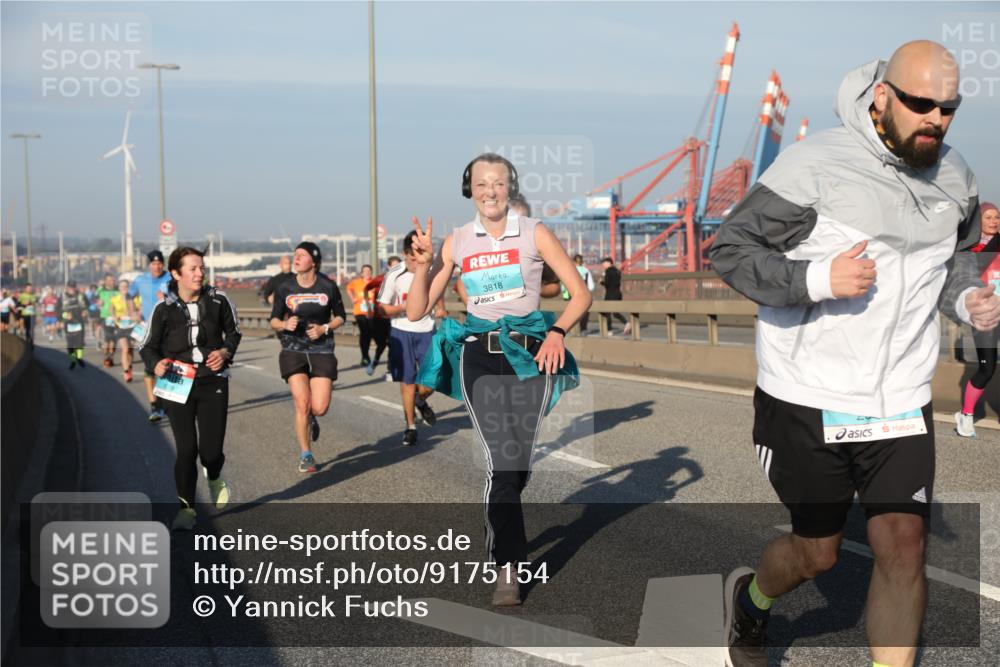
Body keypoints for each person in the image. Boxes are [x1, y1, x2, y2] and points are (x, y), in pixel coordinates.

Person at [708, 41, 1000, 667]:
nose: (936, 120)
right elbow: (730, 250)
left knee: (904, 544)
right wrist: (818, 278)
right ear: (882, 96)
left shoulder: (956, 175)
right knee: (818, 554)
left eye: (948, 108)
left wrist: (967, 297)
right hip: (808, 396)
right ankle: (753, 601)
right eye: (921, 104)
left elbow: (952, 261)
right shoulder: (813, 166)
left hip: (900, 401)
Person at [406, 153, 591, 605]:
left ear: (511, 188)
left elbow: (581, 294)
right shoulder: (457, 241)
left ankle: (502, 517)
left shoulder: (535, 232)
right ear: (469, 189)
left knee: (518, 465)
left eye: (499, 183)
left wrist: (557, 332)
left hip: (531, 356)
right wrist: (424, 267)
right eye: (482, 184)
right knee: (503, 463)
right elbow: (415, 311)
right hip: (480, 358)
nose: (491, 191)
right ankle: (508, 565)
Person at [138, 247, 241, 530]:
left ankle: (214, 474)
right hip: (176, 379)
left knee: (210, 452)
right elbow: (146, 345)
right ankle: (186, 510)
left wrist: (225, 352)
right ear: (176, 273)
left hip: (212, 379)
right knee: (186, 450)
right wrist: (156, 363)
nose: (199, 273)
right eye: (193, 269)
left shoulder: (219, 300)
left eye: (202, 268)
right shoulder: (163, 309)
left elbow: (234, 333)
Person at [269, 242, 346, 473]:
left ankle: (312, 418)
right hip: (293, 349)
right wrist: (285, 324)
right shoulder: (285, 287)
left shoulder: (328, 286)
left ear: (314, 261)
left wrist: (324, 328)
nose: (297, 258)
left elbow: (341, 316)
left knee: (319, 407)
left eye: (302, 255)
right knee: (301, 403)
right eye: (295, 255)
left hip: (322, 349)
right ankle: (306, 454)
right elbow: (273, 320)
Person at [376, 233, 441, 446]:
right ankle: (410, 426)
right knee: (408, 380)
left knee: (433, 380)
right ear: (405, 254)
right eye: (413, 259)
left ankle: (420, 401)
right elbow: (382, 309)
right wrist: (404, 307)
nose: (417, 263)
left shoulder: (430, 269)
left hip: (427, 330)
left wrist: (440, 308)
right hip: (402, 330)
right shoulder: (394, 274)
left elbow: (439, 291)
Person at [955, 200, 1000, 436]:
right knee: (987, 369)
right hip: (985, 315)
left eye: (997, 217)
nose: (994, 221)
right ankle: (966, 414)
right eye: (988, 217)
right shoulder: (970, 248)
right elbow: (980, 264)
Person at [130, 250, 173, 422]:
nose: (157, 266)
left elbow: (182, 297)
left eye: (160, 263)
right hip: (147, 330)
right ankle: (154, 405)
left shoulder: (170, 278)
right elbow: (128, 295)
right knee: (150, 368)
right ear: (149, 265)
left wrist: (168, 297)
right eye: (154, 263)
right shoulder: (140, 280)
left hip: (168, 330)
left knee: (166, 367)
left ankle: (165, 402)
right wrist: (132, 311)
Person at [364, 256, 400, 377]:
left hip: (393, 318)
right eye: (393, 266)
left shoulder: (402, 279)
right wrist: (369, 306)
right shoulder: (380, 279)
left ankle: (390, 369)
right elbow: (366, 289)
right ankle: (375, 361)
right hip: (379, 317)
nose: (396, 268)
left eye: (398, 266)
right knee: (382, 343)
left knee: (392, 343)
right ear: (388, 266)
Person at [109, 279, 140, 382]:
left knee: (130, 350)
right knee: (125, 348)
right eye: (122, 286)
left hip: (132, 326)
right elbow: (111, 309)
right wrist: (114, 316)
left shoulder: (134, 298)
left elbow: (139, 310)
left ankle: (129, 367)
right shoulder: (115, 298)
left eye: (126, 286)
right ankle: (126, 371)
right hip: (121, 326)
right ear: (119, 288)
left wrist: (136, 315)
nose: (124, 288)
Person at [346, 264, 375, 366]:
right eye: (365, 271)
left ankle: (366, 355)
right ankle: (365, 356)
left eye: (369, 271)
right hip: (359, 311)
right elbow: (348, 288)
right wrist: (352, 299)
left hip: (371, 312)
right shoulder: (356, 282)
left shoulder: (374, 282)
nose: (367, 273)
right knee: (364, 331)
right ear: (362, 273)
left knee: (369, 333)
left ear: (371, 272)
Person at [562, 254, 595, 333]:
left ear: (573, 261)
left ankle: (571, 330)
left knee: (571, 312)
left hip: (570, 295)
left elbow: (564, 285)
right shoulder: (586, 271)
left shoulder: (570, 270)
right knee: (584, 313)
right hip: (583, 295)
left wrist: (564, 292)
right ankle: (583, 329)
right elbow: (591, 286)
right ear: (582, 261)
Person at [61, 280, 89, 370]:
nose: (72, 288)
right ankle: (73, 360)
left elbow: (87, 305)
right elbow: (58, 310)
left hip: (79, 322)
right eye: (70, 287)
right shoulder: (62, 297)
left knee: (80, 343)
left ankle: (79, 358)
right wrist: (64, 316)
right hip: (68, 323)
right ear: (67, 287)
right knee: (70, 344)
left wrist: (85, 311)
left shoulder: (81, 295)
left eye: (73, 286)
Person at [599, 257, 630, 336]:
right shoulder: (617, 271)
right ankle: (626, 323)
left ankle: (609, 330)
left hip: (610, 294)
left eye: (604, 263)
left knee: (606, 312)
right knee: (615, 312)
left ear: (608, 263)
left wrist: (601, 282)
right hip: (618, 294)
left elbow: (608, 284)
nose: (603, 265)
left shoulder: (608, 271)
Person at [95, 274, 119, 367]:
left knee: (114, 339)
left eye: (112, 280)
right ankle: (106, 357)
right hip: (105, 316)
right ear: (105, 281)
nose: (111, 282)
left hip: (117, 317)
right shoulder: (101, 290)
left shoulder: (117, 289)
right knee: (107, 338)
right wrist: (98, 303)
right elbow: (95, 299)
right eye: (109, 280)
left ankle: (111, 357)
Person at [84, 282, 102, 347]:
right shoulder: (88, 294)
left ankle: (96, 335)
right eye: (92, 288)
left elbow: (100, 300)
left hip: (97, 310)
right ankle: (91, 332)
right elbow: (86, 301)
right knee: (91, 321)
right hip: (90, 310)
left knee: (96, 324)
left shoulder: (98, 293)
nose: (94, 289)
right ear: (91, 288)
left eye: (95, 288)